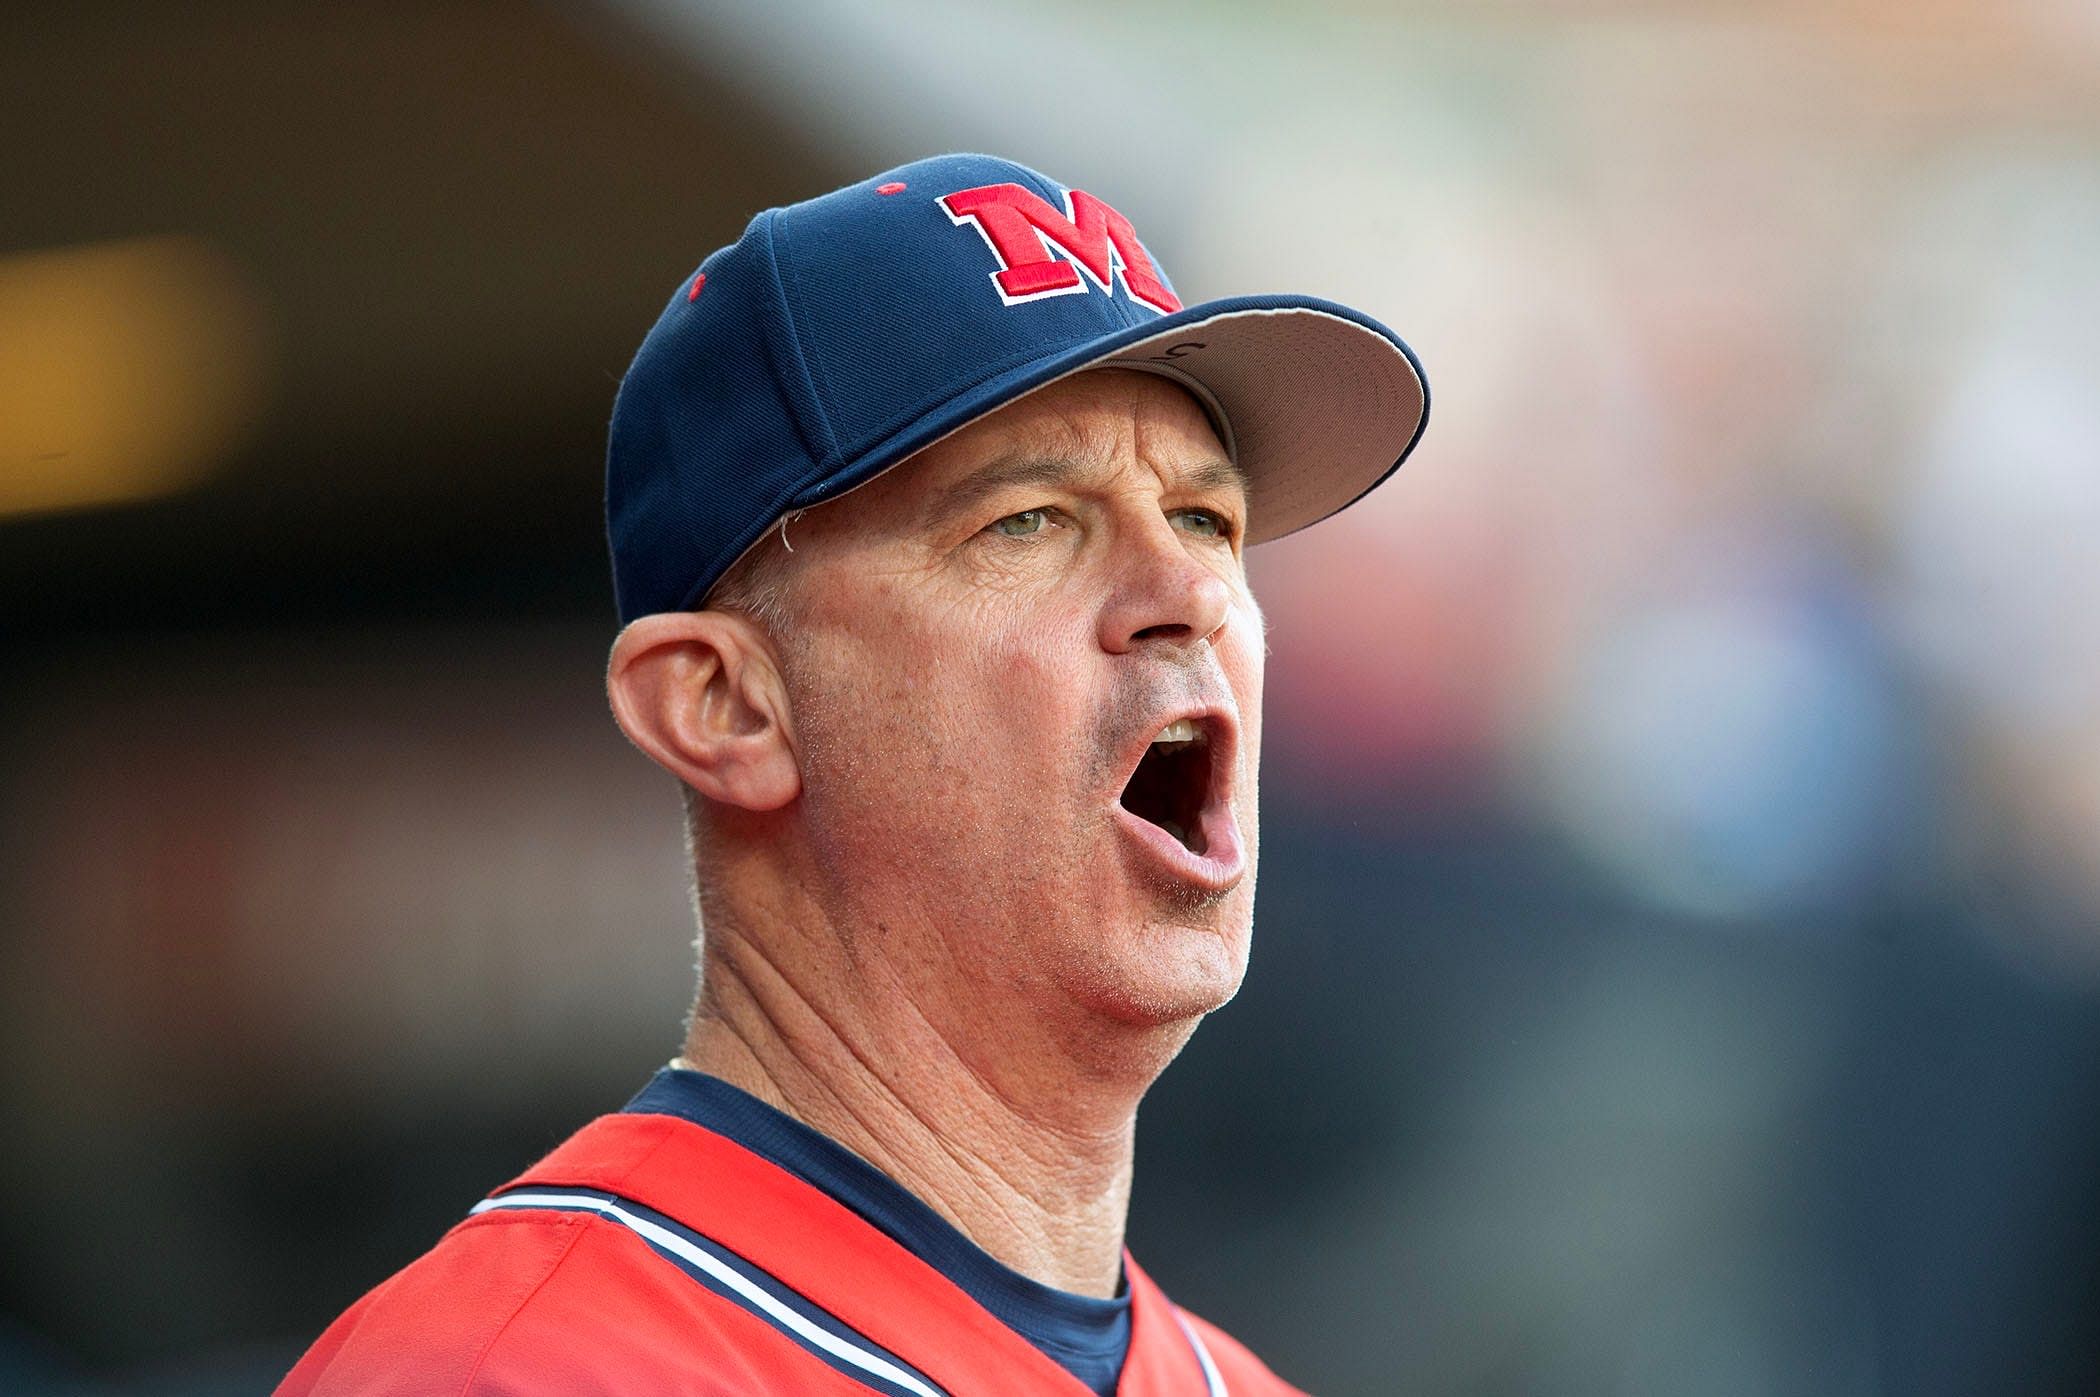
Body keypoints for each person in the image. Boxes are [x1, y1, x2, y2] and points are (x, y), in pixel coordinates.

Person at [278, 152, 1428, 1397]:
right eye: (1029, 520)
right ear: (726, 706)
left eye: (1207, 519)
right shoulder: (511, 1372)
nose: (1191, 595)